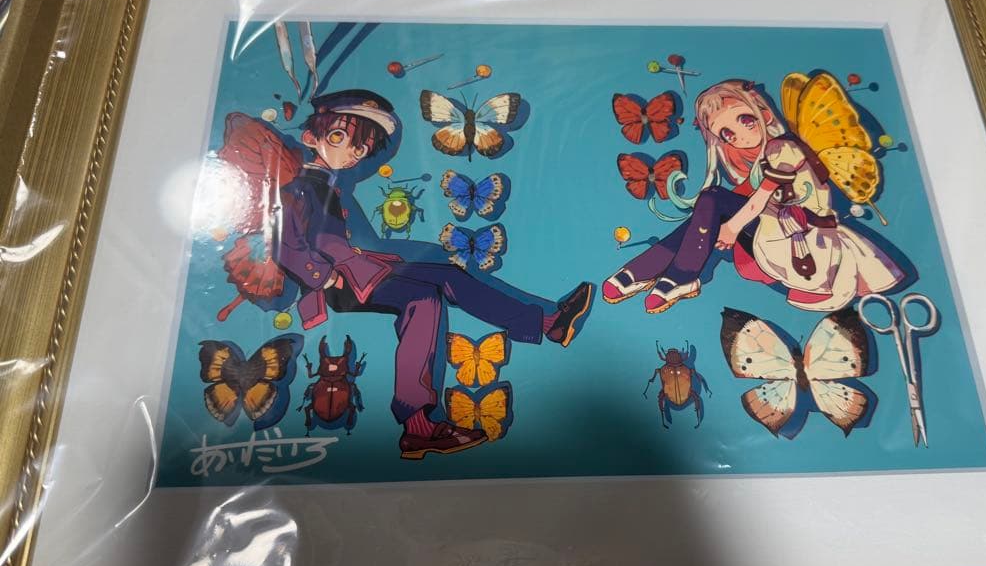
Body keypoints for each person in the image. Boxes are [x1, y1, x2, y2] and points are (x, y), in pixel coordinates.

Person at [275, 90, 594, 459]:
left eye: (362, 147)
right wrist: (324, 277)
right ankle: (417, 425)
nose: (353, 152)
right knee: (422, 299)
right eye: (339, 137)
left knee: (448, 276)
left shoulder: (327, 185)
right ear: (310, 137)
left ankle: (548, 324)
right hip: (342, 283)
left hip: (362, 270)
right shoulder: (300, 187)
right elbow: (286, 245)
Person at [603, 79, 903, 313]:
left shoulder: (784, 148)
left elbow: (762, 198)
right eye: (727, 135)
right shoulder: (763, 160)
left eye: (745, 120)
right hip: (781, 234)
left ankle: (671, 274)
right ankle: (658, 272)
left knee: (713, 199)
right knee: (708, 207)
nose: (741, 136)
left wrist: (733, 228)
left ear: (764, 113)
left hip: (806, 244)